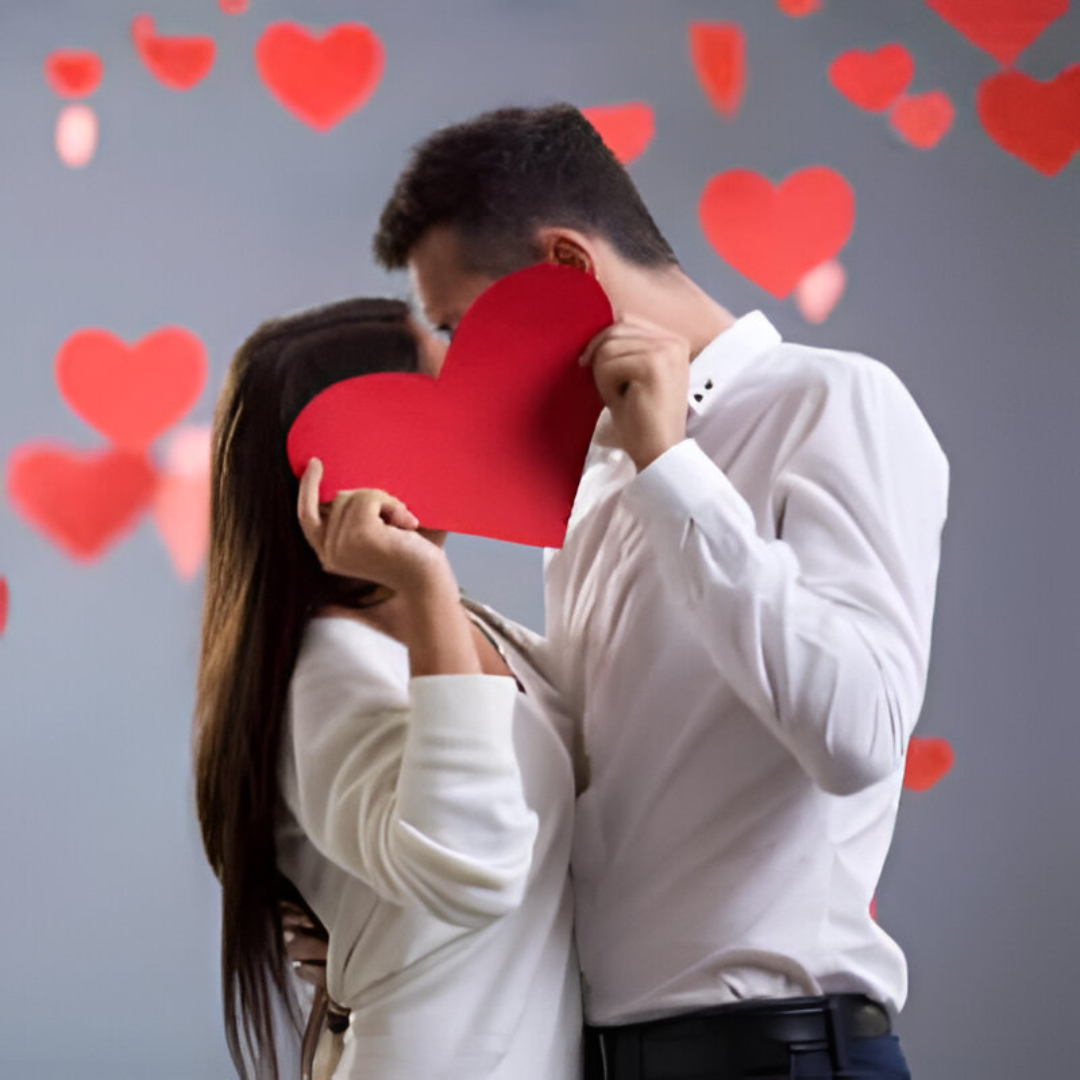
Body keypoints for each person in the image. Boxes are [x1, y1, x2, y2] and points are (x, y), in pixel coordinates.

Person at [362, 103, 951, 1079]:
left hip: (777, 1048)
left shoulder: (833, 405)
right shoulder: (598, 476)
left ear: (564, 269)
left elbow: (857, 735)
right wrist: (372, 909)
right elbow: (593, 774)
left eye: (465, 326)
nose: (463, 371)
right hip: (609, 1049)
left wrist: (672, 465)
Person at [193, 297, 581, 1080]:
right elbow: (471, 865)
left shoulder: (466, 627)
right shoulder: (328, 666)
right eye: (443, 392)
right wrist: (424, 577)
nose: (482, 407)